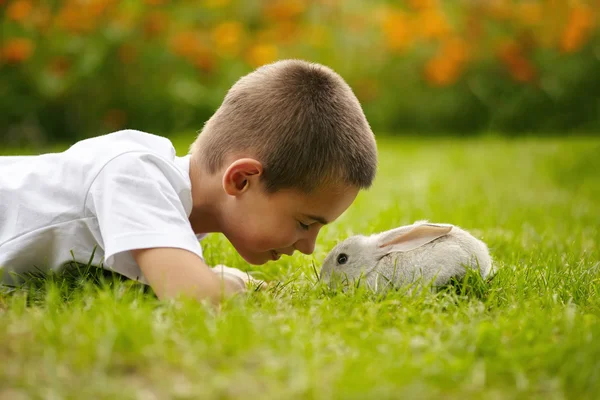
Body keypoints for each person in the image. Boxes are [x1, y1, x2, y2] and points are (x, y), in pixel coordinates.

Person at [0, 59, 378, 304]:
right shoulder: (136, 174)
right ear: (242, 180)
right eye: (303, 222)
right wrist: (231, 285)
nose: (310, 247)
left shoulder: (172, 214)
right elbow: (194, 299)